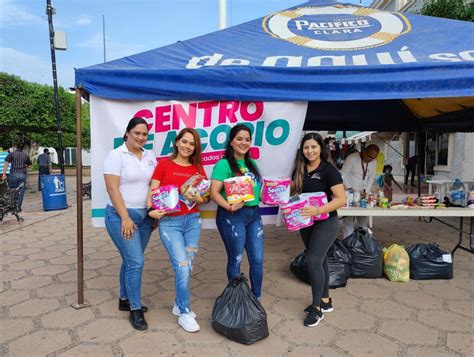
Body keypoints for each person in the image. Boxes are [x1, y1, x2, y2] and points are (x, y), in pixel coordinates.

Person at [147, 128, 207, 333]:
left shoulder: (198, 167)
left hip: (192, 221)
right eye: (185, 141)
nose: (187, 146)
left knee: (187, 265)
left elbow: (204, 196)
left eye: (192, 144)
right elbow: (153, 191)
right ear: (177, 142)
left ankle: (177, 304)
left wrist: (200, 198)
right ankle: (184, 311)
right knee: (182, 267)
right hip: (170, 223)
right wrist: (150, 211)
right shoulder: (164, 164)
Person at [103, 117, 157, 331]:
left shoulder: (150, 156)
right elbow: (112, 189)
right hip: (121, 217)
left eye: (144, 134)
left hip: (145, 218)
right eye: (137, 133)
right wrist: (125, 217)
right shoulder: (116, 155)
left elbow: (155, 184)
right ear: (127, 133)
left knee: (130, 260)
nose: (141, 138)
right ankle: (135, 309)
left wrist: (153, 212)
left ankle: (124, 299)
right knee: (136, 262)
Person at [291, 133, 346, 327]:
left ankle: (316, 309)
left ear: (320, 148)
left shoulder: (328, 170)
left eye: (313, 147)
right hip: (305, 222)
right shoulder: (300, 169)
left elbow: (341, 199)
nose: (310, 151)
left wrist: (318, 210)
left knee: (313, 260)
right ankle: (325, 300)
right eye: (306, 148)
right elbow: (294, 191)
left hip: (325, 221)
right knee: (319, 259)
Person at [210, 124, 264, 300]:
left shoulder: (251, 163)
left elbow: (256, 192)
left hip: (254, 215)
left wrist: (272, 193)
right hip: (232, 217)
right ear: (231, 142)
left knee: (257, 260)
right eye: (239, 139)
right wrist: (228, 206)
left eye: (247, 139)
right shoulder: (223, 164)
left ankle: (255, 299)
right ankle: (236, 299)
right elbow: (214, 193)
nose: (244, 143)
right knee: (236, 259)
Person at [340, 144, 380, 238]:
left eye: (373, 158)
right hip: (349, 193)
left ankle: (364, 244)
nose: (371, 159)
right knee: (348, 222)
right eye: (369, 156)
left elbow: (371, 178)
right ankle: (348, 245)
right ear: (364, 151)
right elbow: (342, 175)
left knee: (362, 222)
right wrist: (350, 189)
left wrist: (366, 190)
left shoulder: (374, 161)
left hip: (363, 195)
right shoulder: (352, 158)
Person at [2, 143, 32, 212]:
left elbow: (6, 163)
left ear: (16, 147)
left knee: (11, 191)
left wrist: (4, 174)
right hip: (22, 175)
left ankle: (11, 206)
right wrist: (25, 166)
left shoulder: (11, 154)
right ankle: (18, 208)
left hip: (13, 174)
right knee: (21, 192)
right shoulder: (26, 155)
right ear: (23, 148)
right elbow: (30, 166)